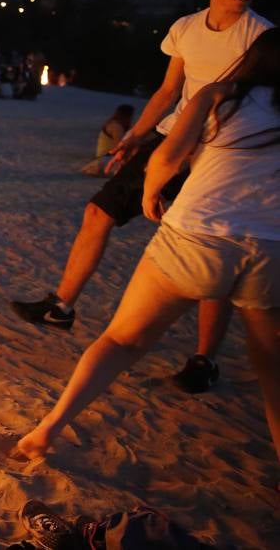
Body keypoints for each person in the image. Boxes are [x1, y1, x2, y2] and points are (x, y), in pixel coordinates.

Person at [15, 28, 280, 472]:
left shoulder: (219, 96)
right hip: (270, 250)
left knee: (121, 340)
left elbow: (168, 157)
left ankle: (47, 430)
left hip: (197, 237)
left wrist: (150, 194)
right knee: (272, 370)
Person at [12, 0, 271, 392]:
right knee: (98, 212)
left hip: (216, 154)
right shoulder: (187, 28)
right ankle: (61, 306)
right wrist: (134, 138)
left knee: (216, 252)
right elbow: (169, 92)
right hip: (170, 138)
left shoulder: (262, 37)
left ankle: (203, 360)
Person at [81, 104, 135, 175]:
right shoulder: (116, 126)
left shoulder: (113, 123)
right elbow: (120, 145)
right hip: (106, 157)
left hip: (104, 156)